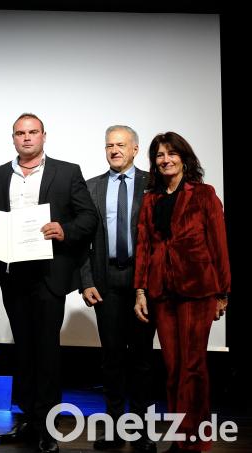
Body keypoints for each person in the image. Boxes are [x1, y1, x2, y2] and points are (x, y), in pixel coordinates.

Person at [0, 113, 98, 453]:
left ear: (44, 136)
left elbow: (88, 218)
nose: (27, 138)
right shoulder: (2, 173)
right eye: (21, 133)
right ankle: (28, 420)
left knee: (46, 350)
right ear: (13, 138)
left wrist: (65, 230)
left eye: (33, 132)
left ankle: (48, 425)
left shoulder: (68, 171)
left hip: (50, 274)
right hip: (13, 273)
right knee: (23, 350)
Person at [134, 132, 230, 452]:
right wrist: (141, 290)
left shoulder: (204, 194)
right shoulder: (152, 199)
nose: (165, 160)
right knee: (174, 368)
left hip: (197, 290)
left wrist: (223, 293)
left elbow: (219, 243)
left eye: (171, 154)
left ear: (184, 157)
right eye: (160, 155)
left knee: (193, 366)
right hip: (162, 292)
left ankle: (195, 439)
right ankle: (180, 437)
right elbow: (145, 246)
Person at [79, 125, 157, 452]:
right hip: (105, 280)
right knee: (111, 359)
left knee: (141, 359)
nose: (114, 150)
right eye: (109, 145)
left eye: (121, 145)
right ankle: (112, 429)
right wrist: (86, 281)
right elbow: (82, 240)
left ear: (135, 149)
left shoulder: (152, 184)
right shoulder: (91, 187)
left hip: (144, 284)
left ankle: (138, 430)